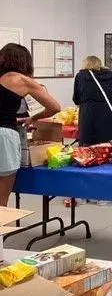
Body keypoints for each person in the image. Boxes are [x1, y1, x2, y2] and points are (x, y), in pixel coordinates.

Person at [0, 43, 60, 206]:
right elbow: (54, 107)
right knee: (2, 198)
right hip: (5, 136)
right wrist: (33, 118)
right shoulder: (21, 80)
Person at [73, 56, 112, 146]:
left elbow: (76, 99)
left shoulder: (80, 77)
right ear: (100, 65)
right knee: (107, 149)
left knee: (87, 152)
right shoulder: (111, 76)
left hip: (87, 119)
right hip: (107, 119)